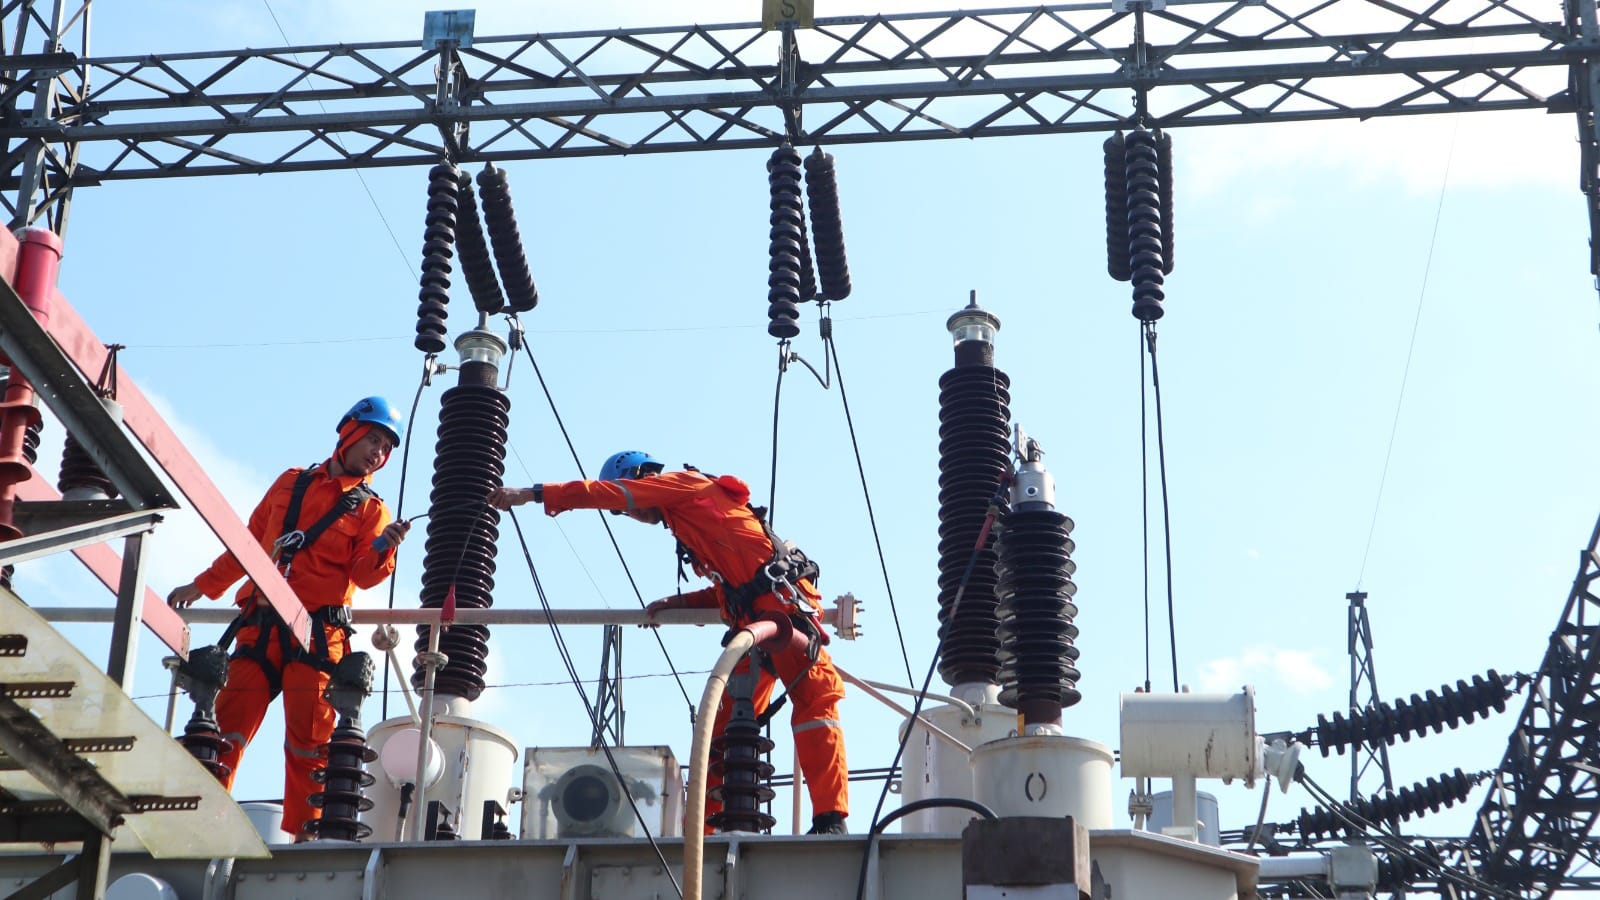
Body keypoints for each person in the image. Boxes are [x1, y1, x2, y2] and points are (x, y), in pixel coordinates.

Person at [490, 450, 849, 835]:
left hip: (783, 614)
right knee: (722, 732)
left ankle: (830, 818)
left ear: (641, 477)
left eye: (629, 505)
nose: (631, 513)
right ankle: (708, 832)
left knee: (816, 703)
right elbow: (733, 590)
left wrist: (533, 494)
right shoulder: (689, 520)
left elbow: (608, 494)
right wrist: (676, 604)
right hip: (755, 625)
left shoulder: (684, 486)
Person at [167, 396, 412, 840]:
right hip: (260, 627)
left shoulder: (372, 511)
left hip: (319, 636)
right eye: (373, 439)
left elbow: (362, 574)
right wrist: (202, 586)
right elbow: (248, 544)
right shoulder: (289, 483)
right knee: (224, 730)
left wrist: (385, 546)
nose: (378, 452)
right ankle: (199, 824)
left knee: (311, 745)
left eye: (386, 447)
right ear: (349, 432)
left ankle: (306, 840)